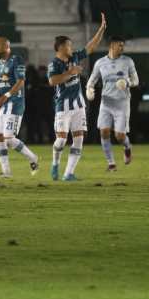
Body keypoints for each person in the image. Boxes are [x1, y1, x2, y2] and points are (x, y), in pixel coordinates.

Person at [47, 14, 107, 181]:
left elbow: (90, 47)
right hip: (63, 107)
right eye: (68, 45)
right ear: (60, 48)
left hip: (78, 105)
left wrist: (101, 30)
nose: (71, 48)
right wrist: (70, 73)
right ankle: (55, 165)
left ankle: (68, 173)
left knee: (79, 138)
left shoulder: (74, 57)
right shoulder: (54, 64)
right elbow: (52, 81)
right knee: (61, 141)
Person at [85, 36, 139, 172]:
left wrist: (127, 83)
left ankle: (127, 147)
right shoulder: (100, 63)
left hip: (122, 103)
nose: (122, 48)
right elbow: (91, 81)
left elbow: (136, 80)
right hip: (106, 102)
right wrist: (89, 90)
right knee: (103, 132)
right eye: (120, 45)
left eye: (123, 45)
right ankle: (111, 164)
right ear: (112, 46)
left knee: (119, 136)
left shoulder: (128, 61)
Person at [0, 37, 39, 178]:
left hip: (14, 103)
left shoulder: (16, 60)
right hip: (2, 104)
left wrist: (5, 96)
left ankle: (33, 158)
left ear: (6, 46)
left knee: (8, 138)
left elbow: (20, 81)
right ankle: (6, 172)